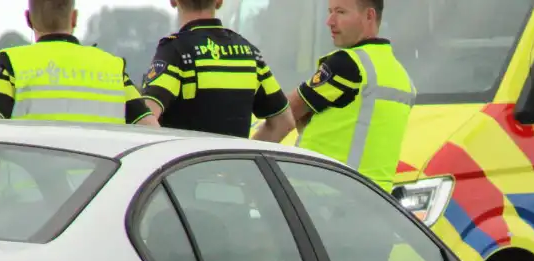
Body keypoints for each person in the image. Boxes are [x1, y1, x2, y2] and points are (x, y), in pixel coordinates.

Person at [287, 0, 416, 192]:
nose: (329, 21)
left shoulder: (347, 64)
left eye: (340, 12)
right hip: (373, 200)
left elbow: (283, 114)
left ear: (369, 16)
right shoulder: (401, 76)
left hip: (322, 195)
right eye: (330, 12)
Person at [0, 0, 158, 127]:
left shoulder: (11, 63)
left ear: (28, 19)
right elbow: (150, 130)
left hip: (34, 185)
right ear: (74, 18)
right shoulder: (113, 68)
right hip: (107, 185)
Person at [140, 0, 295, 142]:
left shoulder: (176, 51)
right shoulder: (249, 53)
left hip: (188, 171)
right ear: (219, 2)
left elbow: (145, 119)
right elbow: (283, 122)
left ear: (173, 1)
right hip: (234, 170)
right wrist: (241, 158)